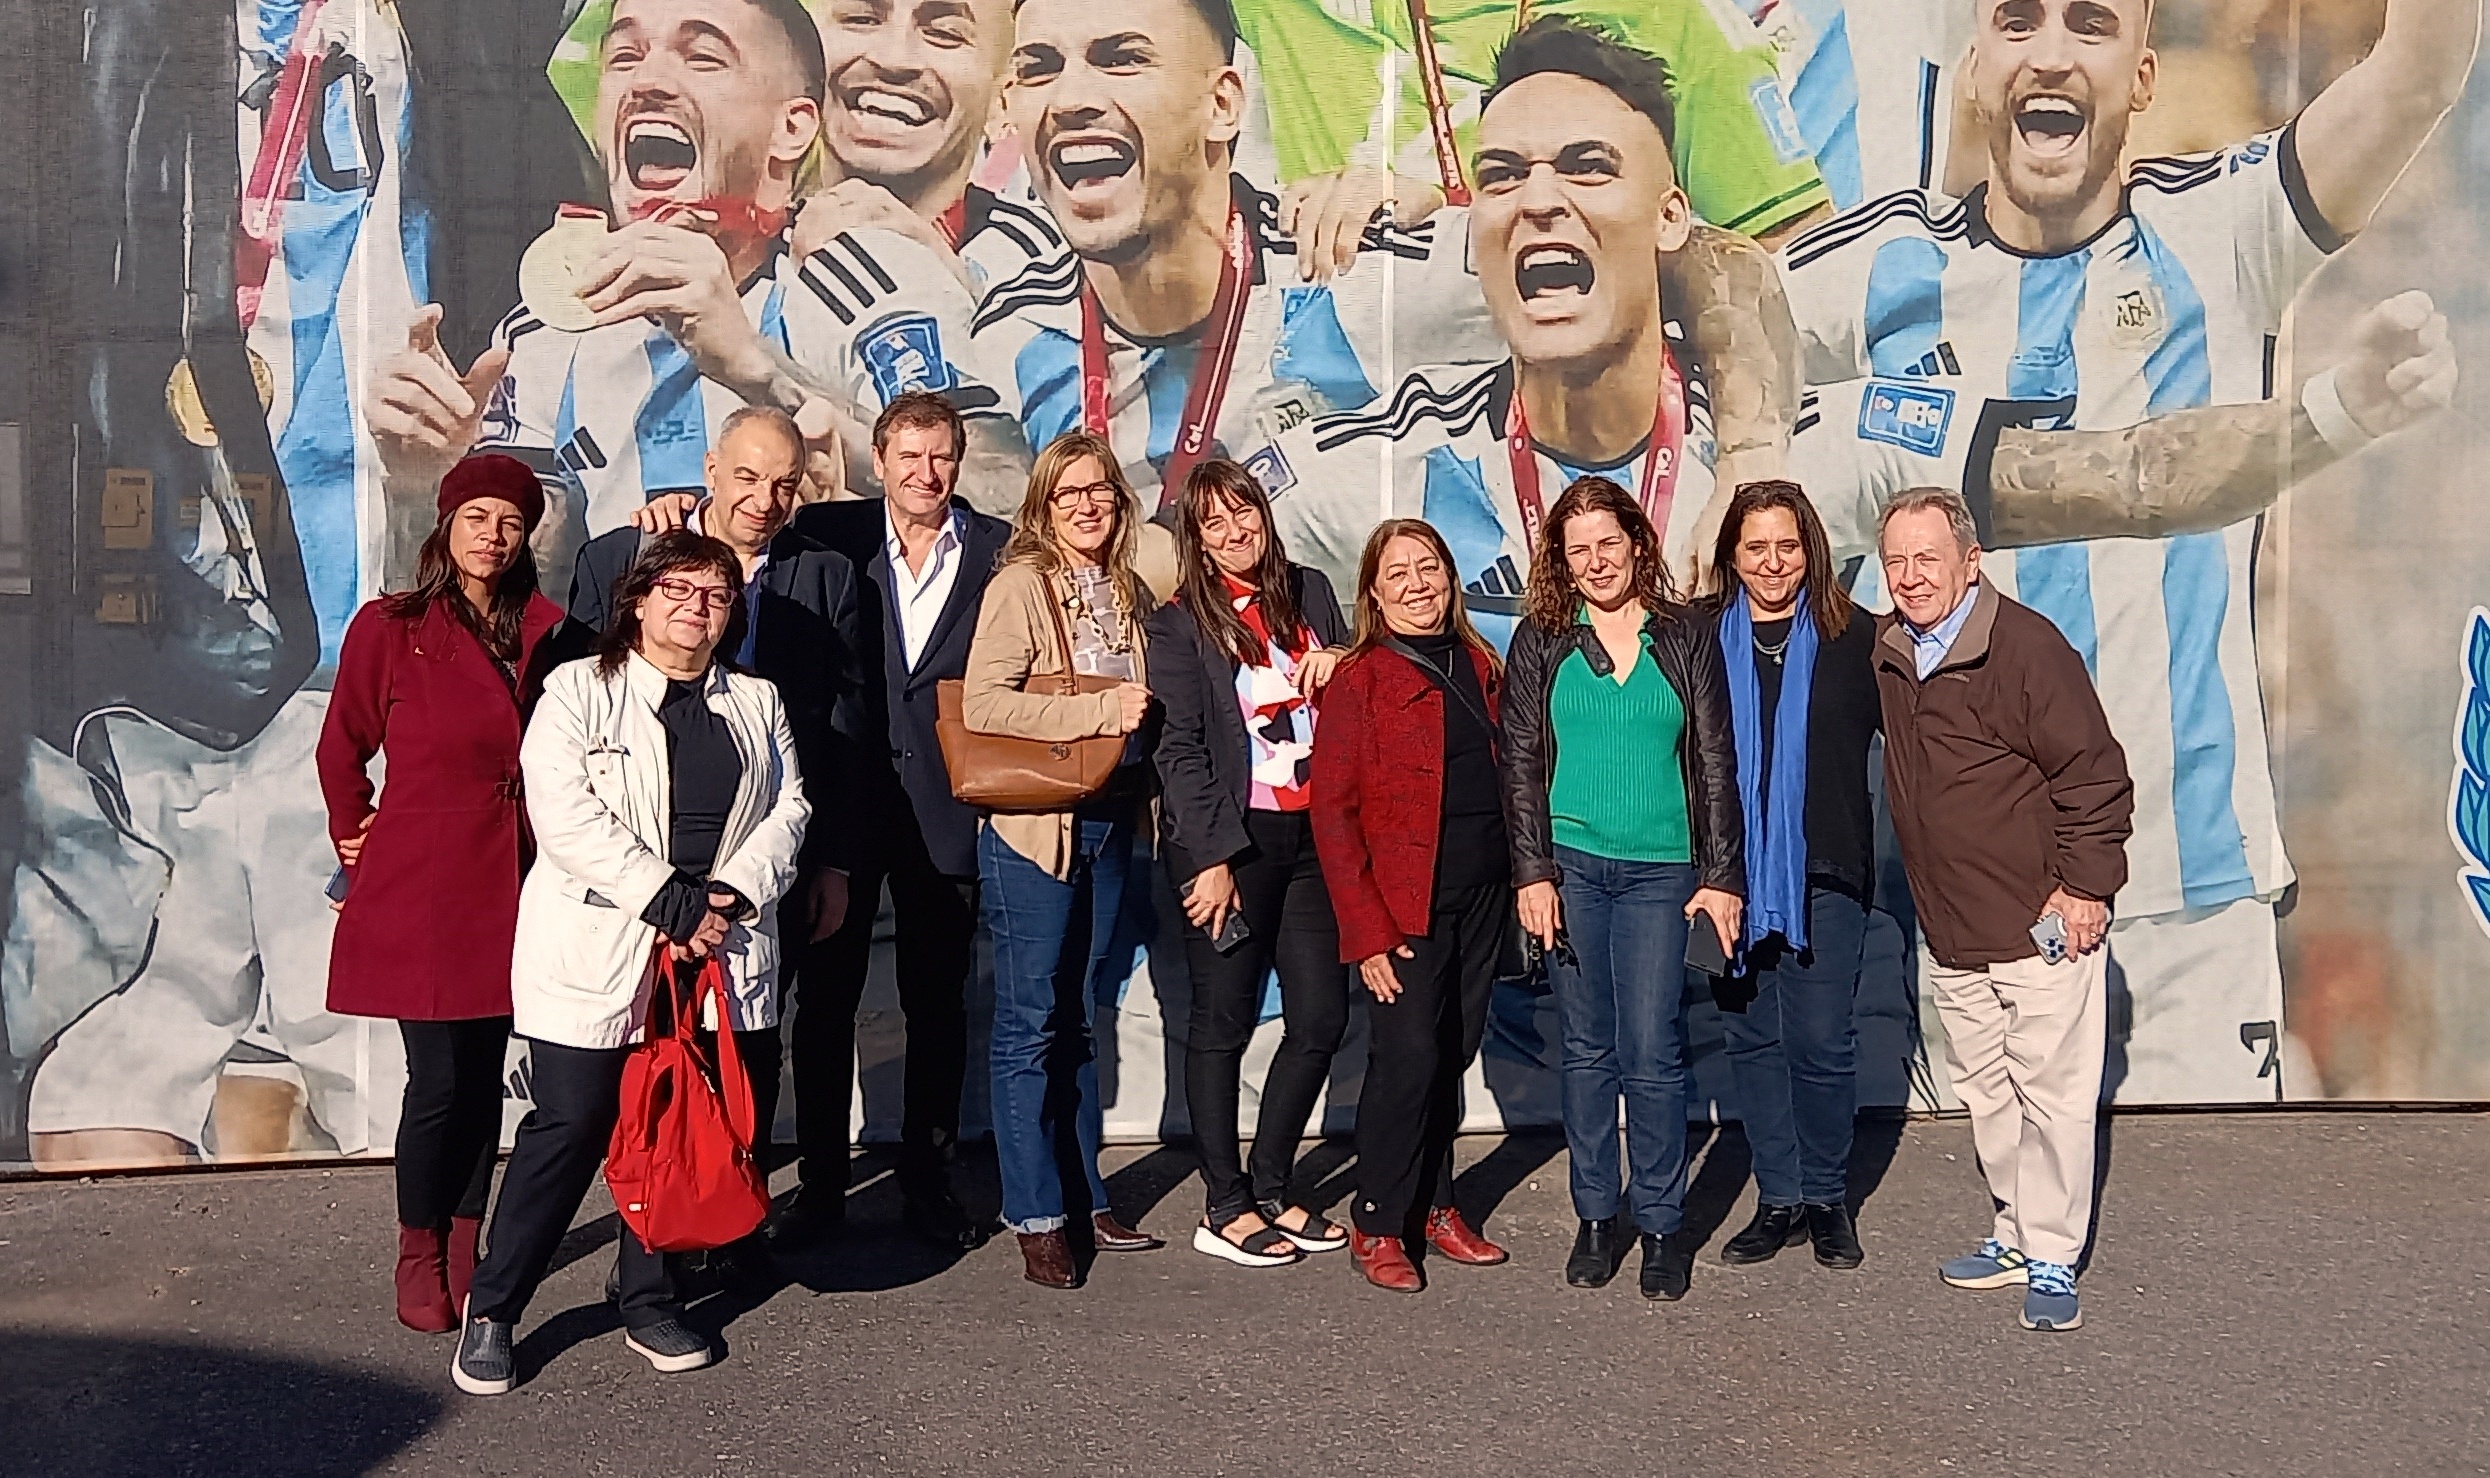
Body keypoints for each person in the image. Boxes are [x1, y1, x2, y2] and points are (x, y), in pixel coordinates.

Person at [1774, 0, 2479, 1102]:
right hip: (1963, 907)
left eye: (2092, 25)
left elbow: (2421, 72)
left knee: (2209, 1213)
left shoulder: (2224, 225)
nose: (2052, 52)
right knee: (1993, 1210)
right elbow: (1705, 353)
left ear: (2143, 77)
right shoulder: (1863, 270)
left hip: (2189, 910)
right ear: (1974, 67)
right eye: (2018, 22)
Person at [367, 0, 1013, 534]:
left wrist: (755, 368)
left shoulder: (860, 274)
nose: (648, 82)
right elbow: (501, 605)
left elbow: (1004, 498)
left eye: (702, 57)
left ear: (792, 129)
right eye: (625, 57)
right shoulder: (542, 332)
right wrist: (426, 489)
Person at [453, 532, 811, 1394]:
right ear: (639, 602)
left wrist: (725, 898)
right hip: (604, 941)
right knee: (571, 1125)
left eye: (715, 595)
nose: (696, 608)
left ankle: (649, 1297)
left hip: (714, 947)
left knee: (676, 1128)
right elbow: (565, 815)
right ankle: (494, 1307)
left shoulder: (757, 699)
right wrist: (670, 902)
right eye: (677, 590)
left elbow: (790, 808)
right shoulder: (579, 690)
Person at [971, 0, 1501, 549]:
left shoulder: (1361, 272)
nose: (1069, 100)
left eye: (1123, 59)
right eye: (1038, 68)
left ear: (1222, 105)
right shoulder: (1011, 333)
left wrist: (1468, 211)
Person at [316, 454, 567, 1333]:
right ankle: (418, 1246)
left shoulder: (550, 632)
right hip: (425, 880)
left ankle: (468, 1243)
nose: (493, 536)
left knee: (487, 1073)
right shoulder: (391, 627)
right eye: (476, 518)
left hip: (517, 878)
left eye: (510, 522)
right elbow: (341, 747)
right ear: (446, 526)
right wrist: (355, 834)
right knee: (439, 1079)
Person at [1874, 487, 2132, 1335]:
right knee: (1986, 1092)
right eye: (1897, 561)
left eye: (1928, 559)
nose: (1911, 577)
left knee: (2052, 1096)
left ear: (1970, 561)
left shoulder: (2026, 648)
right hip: (1953, 928)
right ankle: (2016, 1233)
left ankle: (2054, 1254)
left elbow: (2095, 776)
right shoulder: (1891, 649)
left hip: (2040, 923)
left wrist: (2085, 889)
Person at [1499, 477, 1742, 1302]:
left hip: (1661, 874)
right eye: (1580, 551)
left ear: (1638, 543)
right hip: (1572, 869)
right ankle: (1598, 1215)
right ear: (1561, 563)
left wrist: (1720, 877)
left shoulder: (1684, 635)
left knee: (1654, 1049)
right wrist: (1532, 871)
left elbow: (1714, 759)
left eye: (1609, 543)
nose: (1597, 562)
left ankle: (1663, 1223)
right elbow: (1520, 762)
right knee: (1587, 1049)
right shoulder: (1542, 639)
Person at [782, 391, 1013, 1250]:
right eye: (908, 456)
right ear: (877, 461)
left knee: (937, 1006)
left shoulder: (999, 551)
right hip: (843, 810)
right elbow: (734, 541)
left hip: (950, 808)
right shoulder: (826, 534)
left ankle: (928, 1179)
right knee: (826, 1002)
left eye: (940, 455)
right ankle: (820, 1187)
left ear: (959, 460)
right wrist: (667, 513)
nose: (925, 472)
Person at [962, 430, 1165, 1288]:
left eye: (1100, 490)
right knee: (1029, 1022)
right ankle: (1036, 1212)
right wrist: (1096, 713)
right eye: (1069, 492)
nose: (1087, 505)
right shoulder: (1019, 584)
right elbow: (983, 705)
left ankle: (1086, 1195)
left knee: (1080, 1014)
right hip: (1034, 830)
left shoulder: (1129, 589)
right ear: (1043, 505)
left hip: (1112, 822)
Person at [1146, 458, 1354, 1268]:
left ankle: (1272, 1183)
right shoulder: (1178, 624)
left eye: (1245, 514)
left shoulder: (1311, 592)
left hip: (1312, 839)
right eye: (1215, 523)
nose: (1235, 533)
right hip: (1234, 843)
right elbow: (1179, 750)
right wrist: (1211, 857)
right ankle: (1224, 1203)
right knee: (1223, 1023)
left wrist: (1344, 662)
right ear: (1196, 539)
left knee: (1321, 1019)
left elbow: (1352, 700)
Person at [1308, 519, 1513, 1293]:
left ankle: (1434, 1204)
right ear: (1373, 592)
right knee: (1408, 1059)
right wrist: (1366, 934)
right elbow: (1333, 814)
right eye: (1397, 573)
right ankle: (1378, 1218)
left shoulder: (1480, 661)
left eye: (1428, 567)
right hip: (1402, 909)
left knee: (1451, 1054)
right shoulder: (1359, 680)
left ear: (1450, 577)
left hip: (1482, 893)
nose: (1417, 584)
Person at [1703, 480, 1880, 1272]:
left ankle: (1826, 1198)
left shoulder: (1857, 638)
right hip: (1725, 879)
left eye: (1788, 545)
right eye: (1756, 547)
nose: (1773, 563)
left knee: (1821, 1042)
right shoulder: (1698, 639)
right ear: (1731, 556)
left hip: (1825, 872)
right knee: (1751, 1039)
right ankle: (1777, 1199)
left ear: (1812, 549)